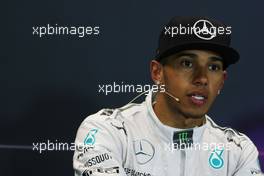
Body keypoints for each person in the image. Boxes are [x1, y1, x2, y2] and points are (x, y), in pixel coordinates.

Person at [73, 16, 263, 176]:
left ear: (221, 81)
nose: (202, 79)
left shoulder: (239, 151)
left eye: (213, 67)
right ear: (157, 72)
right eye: (187, 63)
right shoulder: (106, 131)